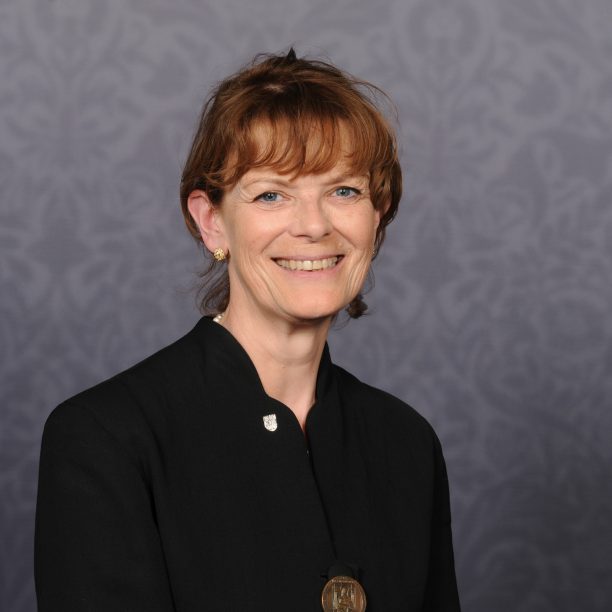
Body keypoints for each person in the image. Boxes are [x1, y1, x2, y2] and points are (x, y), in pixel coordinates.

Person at [35, 49, 461, 611]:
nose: (313, 226)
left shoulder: (406, 442)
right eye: (271, 195)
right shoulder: (107, 438)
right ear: (212, 221)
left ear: (376, 215)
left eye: (344, 191)